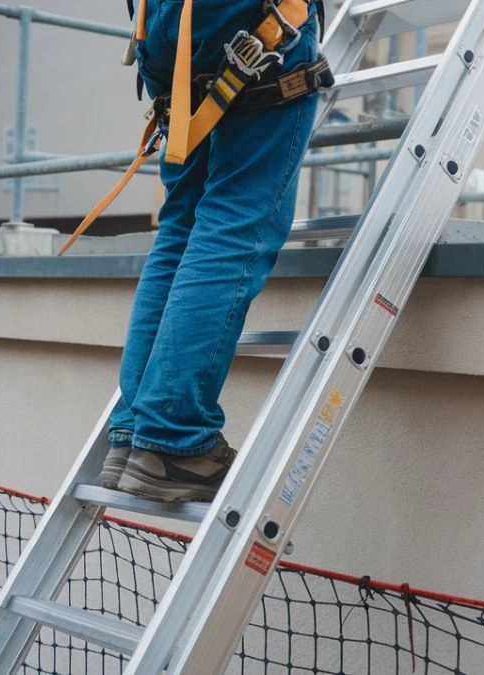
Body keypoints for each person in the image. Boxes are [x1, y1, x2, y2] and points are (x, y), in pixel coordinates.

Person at [95, 0, 328, 503]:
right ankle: (173, 441)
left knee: (182, 229)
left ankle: (137, 434)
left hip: (164, 29)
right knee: (234, 225)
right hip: (244, 19)